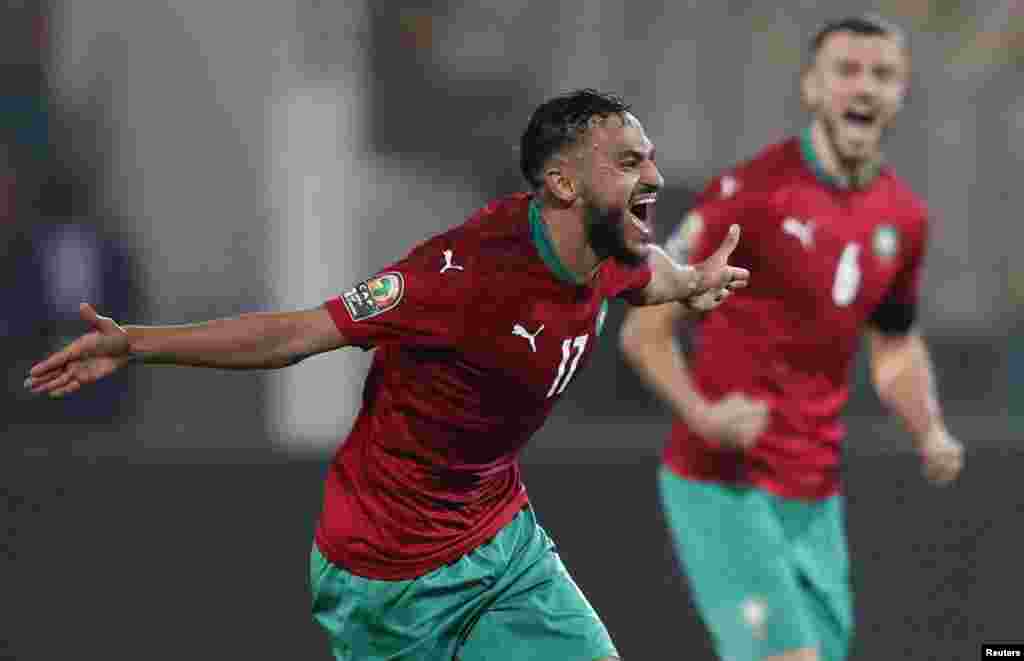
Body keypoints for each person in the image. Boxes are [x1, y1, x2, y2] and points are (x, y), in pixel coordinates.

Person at [26, 89, 749, 661]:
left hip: (503, 541)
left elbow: (637, 274)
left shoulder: (609, 240)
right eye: (628, 161)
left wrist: (686, 280)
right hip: (388, 573)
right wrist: (139, 344)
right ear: (561, 181)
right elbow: (298, 332)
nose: (653, 175)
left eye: (648, 158)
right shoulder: (459, 276)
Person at [619, 16, 964, 661]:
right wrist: (703, 415)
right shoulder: (751, 196)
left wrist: (929, 428)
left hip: (814, 493)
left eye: (882, 74)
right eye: (847, 71)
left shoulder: (904, 218)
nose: (864, 87)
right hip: (723, 482)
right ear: (811, 88)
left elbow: (893, 346)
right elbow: (644, 329)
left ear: (901, 93)